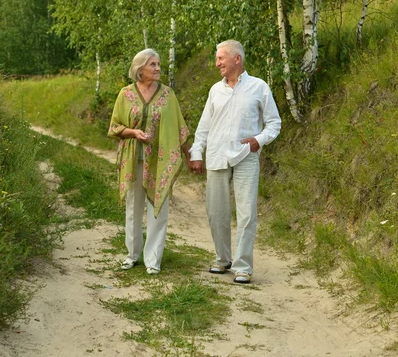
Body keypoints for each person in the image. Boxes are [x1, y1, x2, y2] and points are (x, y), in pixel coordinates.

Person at [189, 40, 281, 284]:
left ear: (236, 59)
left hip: (246, 156)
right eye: (217, 58)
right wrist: (196, 152)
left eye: (221, 58)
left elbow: (274, 123)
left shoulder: (258, 87)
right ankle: (223, 259)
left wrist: (259, 141)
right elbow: (204, 126)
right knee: (216, 212)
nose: (217, 62)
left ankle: (243, 267)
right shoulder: (215, 90)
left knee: (246, 212)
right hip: (217, 155)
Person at [108, 48, 190, 275]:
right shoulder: (125, 94)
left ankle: (153, 260)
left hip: (159, 161)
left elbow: (180, 128)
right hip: (134, 158)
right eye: (152, 64)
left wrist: (190, 155)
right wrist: (134, 133)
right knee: (133, 207)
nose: (157, 68)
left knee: (158, 207)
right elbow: (115, 127)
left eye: (158, 64)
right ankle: (132, 255)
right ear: (140, 69)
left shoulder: (167, 95)